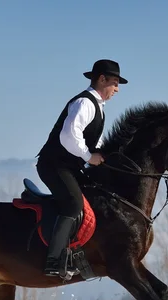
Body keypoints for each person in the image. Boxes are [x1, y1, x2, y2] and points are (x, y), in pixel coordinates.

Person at [35, 59, 128, 277]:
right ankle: (54, 260)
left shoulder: (98, 108)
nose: (117, 89)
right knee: (73, 204)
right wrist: (88, 156)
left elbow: (95, 142)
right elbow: (69, 136)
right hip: (54, 165)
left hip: (68, 166)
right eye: (114, 83)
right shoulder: (85, 103)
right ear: (101, 79)